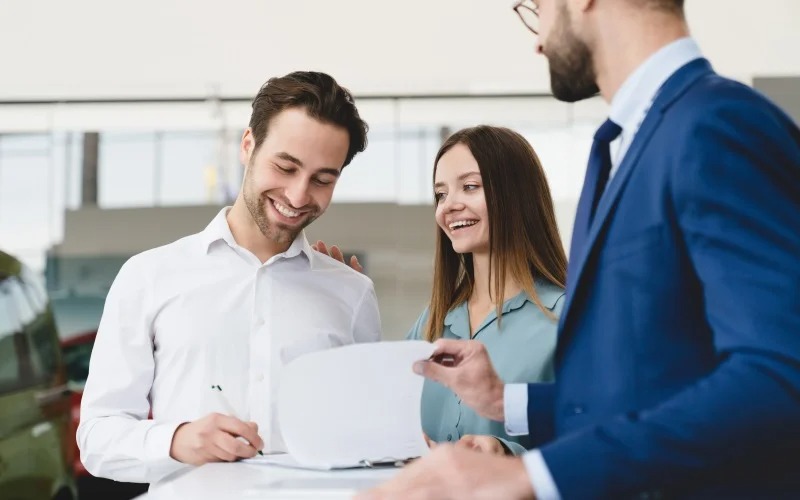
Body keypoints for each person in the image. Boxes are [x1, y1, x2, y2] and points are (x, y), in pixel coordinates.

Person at [357, 0, 800, 498]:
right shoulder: (620, 145)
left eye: (538, 8)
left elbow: (780, 377)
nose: (538, 38)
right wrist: (506, 401)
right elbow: (646, 391)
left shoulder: (716, 125)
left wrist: (535, 474)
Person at [77, 71, 382, 486]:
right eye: (285, 166)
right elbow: (97, 439)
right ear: (248, 145)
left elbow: (370, 439)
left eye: (322, 180)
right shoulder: (148, 277)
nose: (297, 196)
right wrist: (177, 440)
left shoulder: (353, 294)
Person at [409, 126, 566, 456]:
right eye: (441, 194)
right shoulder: (432, 321)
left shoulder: (567, 318)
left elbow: (604, 442)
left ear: (515, 195)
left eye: (469, 187)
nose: (449, 206)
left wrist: (505, 453)